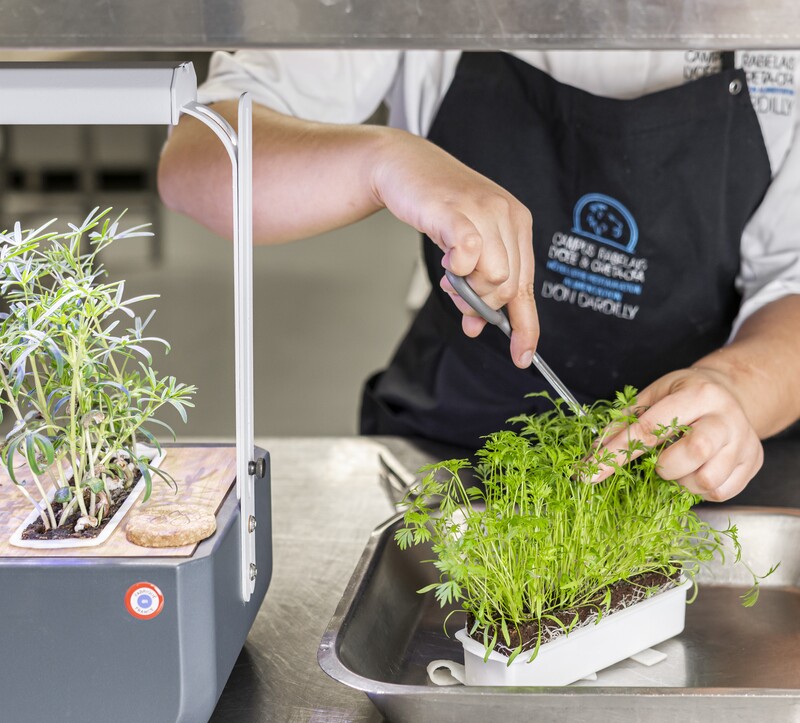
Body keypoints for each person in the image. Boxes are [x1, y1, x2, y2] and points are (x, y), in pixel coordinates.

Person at [158, 49, 800, 502]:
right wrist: (382, 162)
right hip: (460, 450)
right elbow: (198, 160)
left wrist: (732, 389)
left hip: (705, 468)